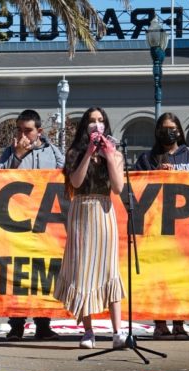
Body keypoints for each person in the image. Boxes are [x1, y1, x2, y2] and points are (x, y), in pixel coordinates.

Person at [133, 113, 189, 340]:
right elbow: (137, 184)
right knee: (160, 278)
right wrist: (156, 175)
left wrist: (182, 176)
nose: (169, 132)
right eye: (164, 128)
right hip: (157, 228)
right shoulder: (148, 158)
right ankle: (160, 324)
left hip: (186, 228)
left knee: (182, 277)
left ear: (179, 131)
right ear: (157, 132)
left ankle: (179, 322)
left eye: (173, 128)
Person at [55, 107, 126, 350]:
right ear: (85, 126)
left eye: (100, 121)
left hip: (104, 211)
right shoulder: (75, 152)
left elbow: (117, 188)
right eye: (92, 121)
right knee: (82, 271)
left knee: (109, 270)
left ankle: (118, 331)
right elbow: (75, 182)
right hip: (82, 212)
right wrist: (88, 153)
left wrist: (108, 155)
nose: (96, 125)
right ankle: (88, 331)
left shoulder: (114, 153)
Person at [0, 109, 63, 341]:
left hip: (45, 224)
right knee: (18, 276)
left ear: (39, 131)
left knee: (44, 275)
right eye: (20, 130)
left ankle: (43, 325)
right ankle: (16, 325)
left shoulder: (53, 152)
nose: (23, 134)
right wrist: (18, 155)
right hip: (17, 223)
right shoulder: (9, 151)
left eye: (28, 130)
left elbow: (66, 175)